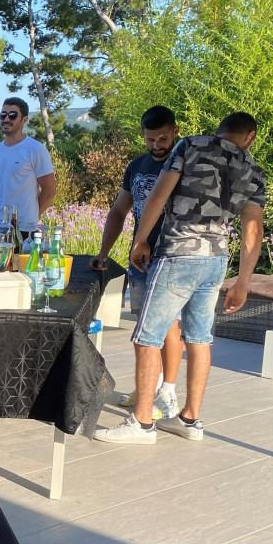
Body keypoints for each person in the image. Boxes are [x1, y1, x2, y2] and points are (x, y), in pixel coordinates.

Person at [96, 112, 266, 445]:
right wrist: (243, 280)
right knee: (199, 339)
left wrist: (141, 239)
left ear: (219, 131)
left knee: (147, 338)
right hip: (215, 260)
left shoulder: (191, 145)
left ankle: (142, 423)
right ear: (250, 137)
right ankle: (190, 420)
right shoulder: (254, 170)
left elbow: (159, 194)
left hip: (178, 254)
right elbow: (252, 229)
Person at [90, 106, 183, 420]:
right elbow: (119, 212)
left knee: (167, 323)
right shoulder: (137, 166)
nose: (156, 145)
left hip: (172, 254)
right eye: (150, 139)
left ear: (175, 132)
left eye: (163, 138)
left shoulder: (185, 163)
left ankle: (168, 392)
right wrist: (104, 252)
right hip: (140, 257)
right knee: (144, 327)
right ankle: (147, 388)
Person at [0, 97, 56, 232]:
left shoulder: (35, 149)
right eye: (3, 115)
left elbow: (50, 191)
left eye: (12, 115)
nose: (6, 119)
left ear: (24, 119)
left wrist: (31, 217)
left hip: (23, 228)